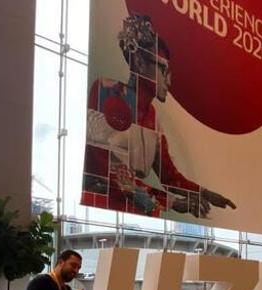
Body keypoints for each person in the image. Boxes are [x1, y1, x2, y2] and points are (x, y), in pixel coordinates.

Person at [83, 14, 236, 218]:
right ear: (139, 62)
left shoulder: (152, 118)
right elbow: (109, 172)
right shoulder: (106, 92)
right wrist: (171, 202)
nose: (168, 81)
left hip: (138, 214)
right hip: (101, 209)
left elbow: (169, 177)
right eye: (163, 69)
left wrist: (204, 193)